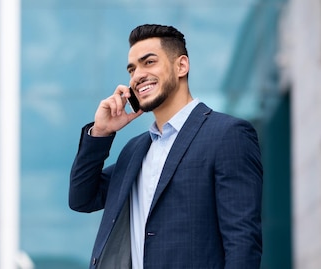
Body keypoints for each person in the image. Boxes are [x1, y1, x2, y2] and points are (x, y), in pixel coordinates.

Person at [69, 24, 263, 269]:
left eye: (148, 62)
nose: (137, 75)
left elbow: (242, 242)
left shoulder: (227, 134)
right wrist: (100, 132)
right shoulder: (135, 150)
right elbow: (82, 198)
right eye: (132, 69)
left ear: (181, 66)